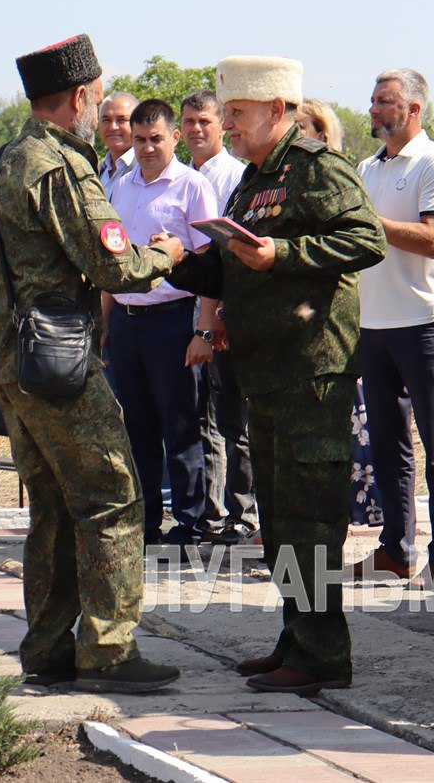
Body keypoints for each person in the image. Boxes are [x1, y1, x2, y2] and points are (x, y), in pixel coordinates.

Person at [0, 34, 185, 693]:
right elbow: (112, 263)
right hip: (58, 365)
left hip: (5, 360)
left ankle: (49, 644)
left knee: (53, 506)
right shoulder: (58, 166)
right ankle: (109, 650)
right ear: (80, 97)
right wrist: (165, 255)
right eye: (95, 100)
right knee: (112, 495)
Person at [165, 55, 386, 696]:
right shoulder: (251, 182)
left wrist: (281, 253)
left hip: (310, 367)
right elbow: (234, 269)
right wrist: (175, 261)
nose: (226, 124)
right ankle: (296, 640)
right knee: (281, 516)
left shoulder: (317, 168)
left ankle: (323, 655)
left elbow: (365, 238)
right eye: (226, 113)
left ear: (278, 111)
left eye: (236, 113)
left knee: (309, 513)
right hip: (264, 369)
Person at [351, 68, 434, 582]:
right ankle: (395, 551)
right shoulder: (366, 167)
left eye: (384, 101)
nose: (373, 110)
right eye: (373, 101)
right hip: (372, 324)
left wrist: (367, 227)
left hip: (423, 323)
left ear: (414, 109)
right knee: (386, 447)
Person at [103, 99, 219, 546]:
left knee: (181, 426)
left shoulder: (193, 187)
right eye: (140, 140)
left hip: (173, 319)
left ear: (174, 137)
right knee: (137, 429)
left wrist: (203, 330)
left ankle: (190, 524)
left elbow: (209, 266)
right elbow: (112, 265)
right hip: (127, 322)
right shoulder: (120, 188)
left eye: (156, 138)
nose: (148, 148)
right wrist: (104, 323)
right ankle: (147, 522)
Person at [296, 98, 382, 529]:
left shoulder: (333, 179)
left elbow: (362, 243)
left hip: (331, 320)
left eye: (303, 127)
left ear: (322, 134)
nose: (294, 136)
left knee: (342, 427)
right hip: (293, 328)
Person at [180, 89, 257, 545]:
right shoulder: (182, 176)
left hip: (227, 313)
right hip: (188, 313)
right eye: (189, 122)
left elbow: (234, 253)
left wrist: (219, 318)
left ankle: (243, 513)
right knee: (200, 421)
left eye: (205, 121)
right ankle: (208, 512)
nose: (196, 130)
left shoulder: (236, 176)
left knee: (235, 421)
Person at [98, 92, 138, 199]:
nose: (113, 127)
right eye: (106, 120)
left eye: (121, 120)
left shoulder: (147, 170)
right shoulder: (95, 171)